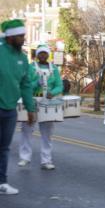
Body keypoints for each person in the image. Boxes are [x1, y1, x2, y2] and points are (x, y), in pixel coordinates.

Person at [0, 19, 36, 194]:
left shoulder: (22, 58)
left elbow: (26, 85)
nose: (23, 39)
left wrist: (31, 108)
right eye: (20, 36)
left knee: (4, 147)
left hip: (9, 110)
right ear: (10, 37)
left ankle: (2, 183)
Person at [18, 44, 63, 170]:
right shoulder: (31, 67)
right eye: (40, 53)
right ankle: (24, 157)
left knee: (47, 133)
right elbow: (25, 84)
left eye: (45, 53)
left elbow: (59, 85)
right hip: (32, 99)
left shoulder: (54, 68)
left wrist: (53, 92)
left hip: (47, 102)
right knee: (27, 129)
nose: (43, 55)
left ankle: (46, 160)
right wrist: (36, 83)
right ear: (37, 55)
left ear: (48, 55)